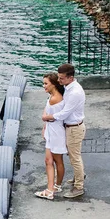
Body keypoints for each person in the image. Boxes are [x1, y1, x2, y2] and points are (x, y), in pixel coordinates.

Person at [41, 63, 86, 198]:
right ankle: (78, 177)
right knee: (73, 156)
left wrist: (47, 117)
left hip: (74, 128)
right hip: (69, 127)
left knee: (75, 158)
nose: (59, 81)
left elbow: (64, 114)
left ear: (70, 78)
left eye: (61, 78)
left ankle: (79, 187)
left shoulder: (75, 92)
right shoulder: (68, 87)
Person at [35, 73, 66, 200]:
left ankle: (52, 189)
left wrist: (45, 120)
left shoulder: (54, 99)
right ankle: (54, 186)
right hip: (52, 130)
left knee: (56, 160)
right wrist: (45, 125)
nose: (44, 86)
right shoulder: (52, 96)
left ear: (54, 84)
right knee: (50, 160)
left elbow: (49, 116)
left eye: (46, 83)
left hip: (56, 132)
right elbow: (47, 113)